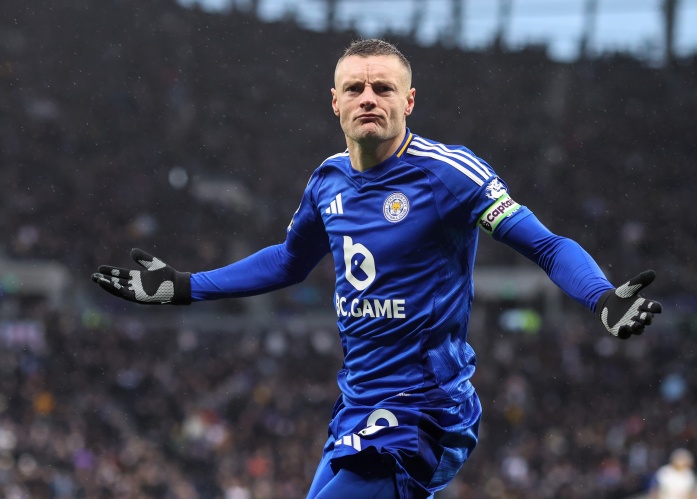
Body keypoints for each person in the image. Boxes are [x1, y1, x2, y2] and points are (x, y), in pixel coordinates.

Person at [91, 39, 662, 499]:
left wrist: (601, 297)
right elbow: (289, 261)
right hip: (358, 408)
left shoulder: (449, 175)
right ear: (334, 102)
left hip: (425, 410)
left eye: (383, 88)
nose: (369, 98)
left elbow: (547, 246)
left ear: (408, 101)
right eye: (355, 88)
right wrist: (184, 287)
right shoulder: (328, 181)